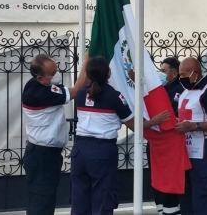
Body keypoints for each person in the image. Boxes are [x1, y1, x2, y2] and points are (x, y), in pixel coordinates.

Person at [70, 56, 170, 215]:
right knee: (103, 199)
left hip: (79, 151)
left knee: (80, 199)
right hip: (101, 151)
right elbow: (134, 126)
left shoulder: (81, 94)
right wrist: (154, 121)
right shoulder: (115, 97)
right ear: (108, 73)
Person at [22, 54, 88, 215]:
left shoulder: (38, 85)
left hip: (46, 155)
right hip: (41, 156)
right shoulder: (38, 94)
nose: (56, 74)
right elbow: (76, 91)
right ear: (40, 78)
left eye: (56, 68)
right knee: (41, 203)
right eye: (52, 73)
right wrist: (87, 61)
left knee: (46, 199)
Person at [175, 57, 207, 215]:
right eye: (179, 74)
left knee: (202, 199)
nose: (181, 78)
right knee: (186, 200)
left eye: (184, 74)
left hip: (205, 153)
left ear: (195, 73)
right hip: (185, 153)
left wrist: (194, 126)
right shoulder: (185, 92)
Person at [147, 57, 184, 215]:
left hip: (171, 143)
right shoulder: (160, 89)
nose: (159, 75)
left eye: (163, 72)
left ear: (174, 74)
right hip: (156, 142)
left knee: (169, 183)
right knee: (156, 179)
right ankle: (161, 209)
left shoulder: (179, 90)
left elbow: (171, 114)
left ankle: (170, 209)